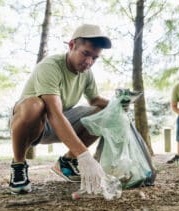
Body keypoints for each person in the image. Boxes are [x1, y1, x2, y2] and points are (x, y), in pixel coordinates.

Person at [9, 24, 112, 194]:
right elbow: (54, 113)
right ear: (72, 46)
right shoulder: (50, 66)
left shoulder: (86, 73)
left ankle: (67, 162)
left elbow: (94, 99)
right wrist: (85, 156)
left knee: (106, 113)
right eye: (85, 53)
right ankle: (18, 164)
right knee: (35, 104)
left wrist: (116, 106)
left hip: (60, 120)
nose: (89, 62)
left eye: (94, 58)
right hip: (31, 122)